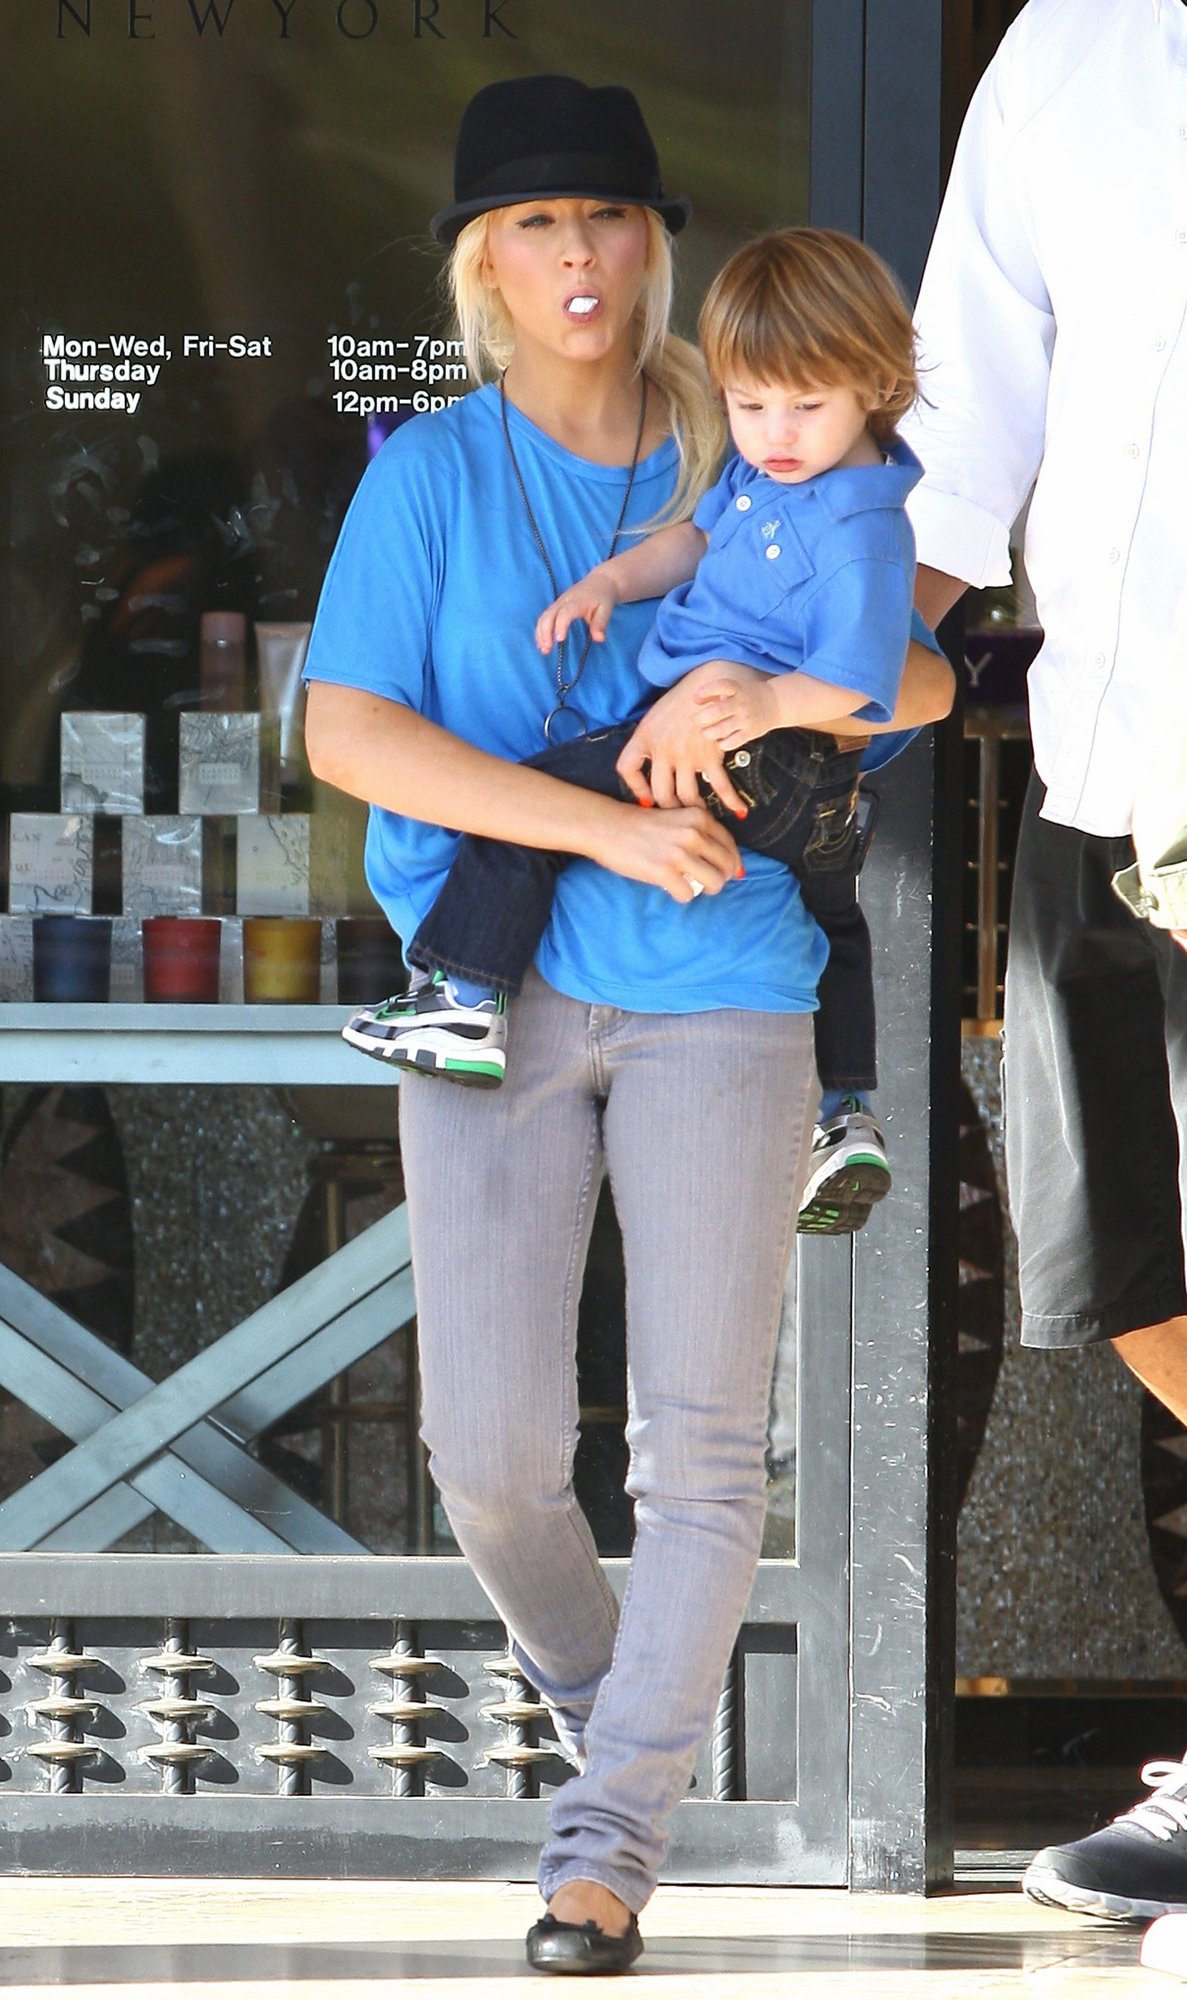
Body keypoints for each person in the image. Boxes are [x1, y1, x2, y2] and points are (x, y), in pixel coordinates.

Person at [304, 73, 953, 1974]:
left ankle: (604, 1852)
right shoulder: (431, 473)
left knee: (699, 1454)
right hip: (490, 1000)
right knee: (493, 1461)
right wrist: (600, 821)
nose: (576, 252)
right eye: (533, 223)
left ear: (655, 246)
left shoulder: (756, 430)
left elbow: (916, 674)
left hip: (724, 988)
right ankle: (633, 1733)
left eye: (605, 216)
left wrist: (766, 694)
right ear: (480, 268)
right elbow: (347, 731)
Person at [340, 225, 923, 1236]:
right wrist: (612, 581)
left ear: (872, 386)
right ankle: (845, 1110)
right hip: (756, 792)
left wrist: (752, 698)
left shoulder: (845, 514)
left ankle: (462, 995)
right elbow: (695, 537)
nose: (773, 430)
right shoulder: (767, 469)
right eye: (750, 404)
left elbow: (896, 680)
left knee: (533, 799)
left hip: (748, 785)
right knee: (836, 916)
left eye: (801, 405)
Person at [897, 0, 1187, 1925]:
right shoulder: (1071, 43)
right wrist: (823, 673)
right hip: (1108, 767)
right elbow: (962, 412)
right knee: (1134, 1273)